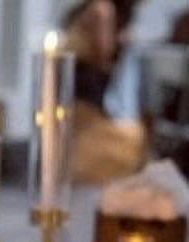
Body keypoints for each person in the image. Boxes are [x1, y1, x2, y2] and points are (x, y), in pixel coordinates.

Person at [63, 0, 147, 183]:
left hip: (89, 97)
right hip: (88, 102)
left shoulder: (106, 10)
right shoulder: (103, 9)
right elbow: (104, 54)